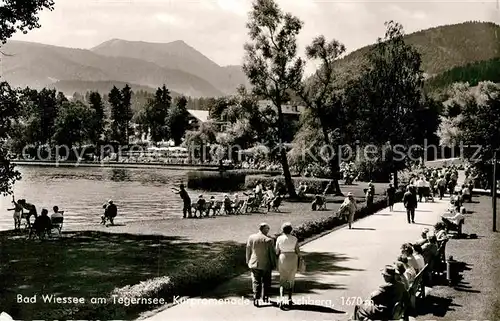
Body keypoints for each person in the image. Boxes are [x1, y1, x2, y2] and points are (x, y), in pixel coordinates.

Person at [246, 223, 276, 306]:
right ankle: (265, 296)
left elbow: (248, 250)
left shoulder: (251, 237)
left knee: (256, 281)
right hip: (266, 264)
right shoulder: (269, 240)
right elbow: (272, 254)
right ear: (264, 229)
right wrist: (274, 264)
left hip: (254, 262)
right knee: (266, 281)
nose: (268, 230)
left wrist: (248, 260)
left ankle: (256, 298)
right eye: (268, 228)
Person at [275, 222, 300, 308]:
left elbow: (276, 251)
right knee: (291, 278)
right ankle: (289, 298)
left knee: (282, 278)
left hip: (283, 257)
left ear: (282, 230)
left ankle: (281, 298)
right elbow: (298, 251)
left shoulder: (279, 238)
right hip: (292, 258)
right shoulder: (294, 238)